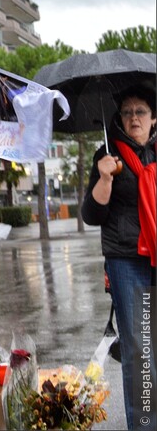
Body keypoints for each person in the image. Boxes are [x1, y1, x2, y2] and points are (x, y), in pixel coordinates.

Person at [82, 84, 156, 431]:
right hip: (127, 261)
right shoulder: (108, 155)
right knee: (141, 350)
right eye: (127, 113)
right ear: (120, 119)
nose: (134, 118)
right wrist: (106, 179)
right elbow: (91, 215)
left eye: (140, 111)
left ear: (154, 118)